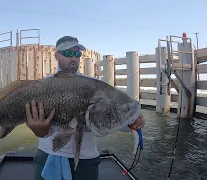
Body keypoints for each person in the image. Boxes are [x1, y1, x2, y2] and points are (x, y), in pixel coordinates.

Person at [25, 36, 145, 180]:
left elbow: (114, 121)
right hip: (47, 155)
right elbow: (40, 129)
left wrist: (132, 122)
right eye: (68, 53)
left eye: (77, 54)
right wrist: (40, 132)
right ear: (56, 55)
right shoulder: (41, 87)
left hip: (85, 161)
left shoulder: (95, 86)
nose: (74, 58)